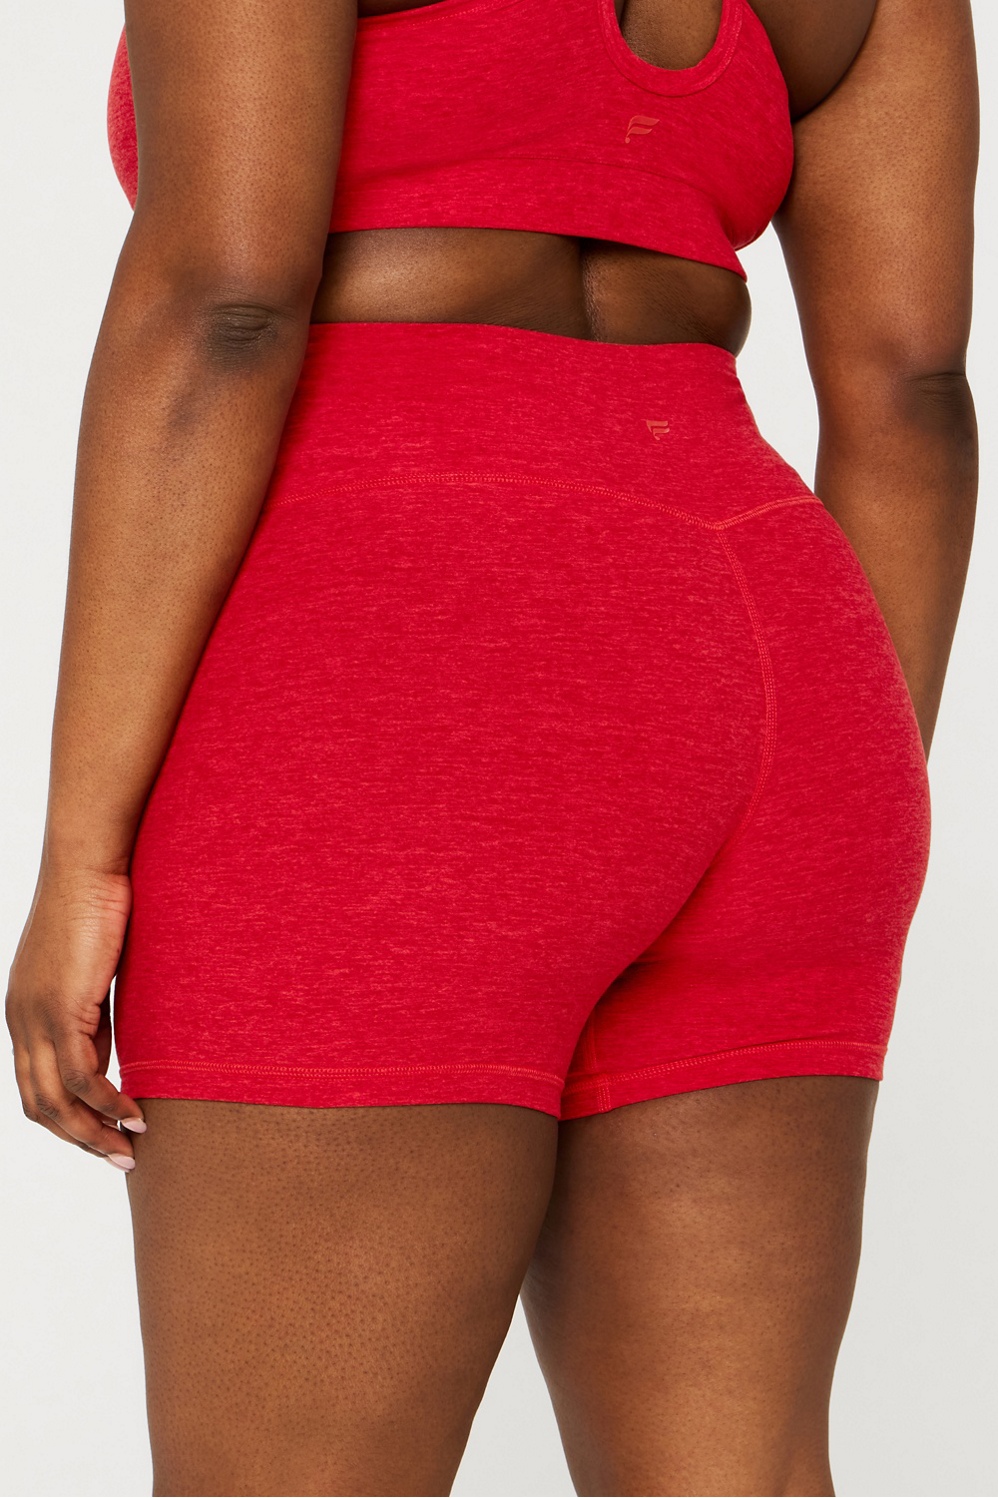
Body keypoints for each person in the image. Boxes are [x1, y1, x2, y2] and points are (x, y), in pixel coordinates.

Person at [5, 0, 978, 1492]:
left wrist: (80, 853)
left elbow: (228, 302)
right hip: (781, 663)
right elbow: (912, 397)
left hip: (397, 652)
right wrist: (819, 824)